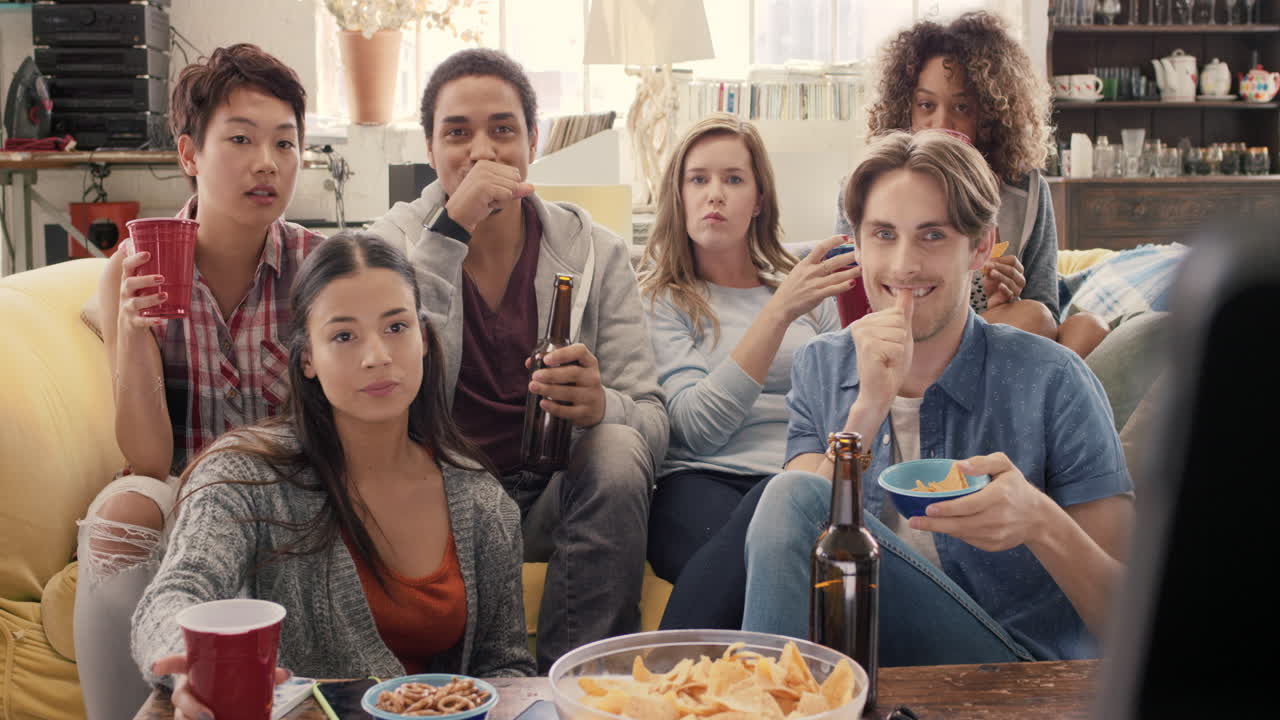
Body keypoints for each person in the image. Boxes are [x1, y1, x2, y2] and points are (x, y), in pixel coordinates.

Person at [743, 130, 1134, 665]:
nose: (904, 265)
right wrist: (868, 408)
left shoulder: (1054, 379)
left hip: (1008, 669)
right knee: (792, 495)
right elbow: (799, 528)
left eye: (932, 235)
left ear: (979, 246)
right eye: (884, 234)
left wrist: (1041, 522)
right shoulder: (823, 367)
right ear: (857, 245)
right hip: (864, 664)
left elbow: (1130, 621)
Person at [132, 233, 535, 720]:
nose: (377, 356)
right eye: (344, 336)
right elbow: (176, 592)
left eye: (396, 327)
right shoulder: (244, 477)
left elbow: (507, 667)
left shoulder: (481, 500)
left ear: (424, 340)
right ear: (307, 359)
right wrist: (189, 663)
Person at [367, 48, 667, 671]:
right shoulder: (387, 246)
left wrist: (601, 406)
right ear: (430, 150)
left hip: (554, 495)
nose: (483, 152)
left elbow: (653, 423)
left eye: (502, 130)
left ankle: (580, 682)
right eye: (458, 133)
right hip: (441, 495)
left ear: (533, 141)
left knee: (617, 448)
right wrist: (450, 230)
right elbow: (386, 376)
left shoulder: (597, 251)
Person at [75, 44, 324, 719]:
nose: (267, 162)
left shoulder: (319, 267)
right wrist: (132, 333)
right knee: (120, 513)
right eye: (240, 139)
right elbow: (148, 457)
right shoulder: (135, 264)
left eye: (284, 143)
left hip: (291, 490)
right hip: (181, 486)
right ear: (189, 153)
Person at [637, 114, 855, 625]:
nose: (715, 194)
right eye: (699, 179)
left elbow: (842, 405)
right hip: (699, 483)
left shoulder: (808, 289)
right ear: (679, 197)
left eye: (733, 179)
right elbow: (696, 429)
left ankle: (662, 673)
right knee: (767, 534)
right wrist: (777, 314)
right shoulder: (661, 299)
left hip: (802, 479)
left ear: (758, 200)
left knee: (784, 516)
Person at [833, 11, 1109, 357]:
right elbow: (851, 308)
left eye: (962, 107)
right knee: (1033, 319)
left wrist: (1004, 299)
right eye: (926, 105)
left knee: (1086, 326)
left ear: (990, 114)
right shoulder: (868, 186)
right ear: (905, 109)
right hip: (905, 333)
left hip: (996, 332)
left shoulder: (1027, 191)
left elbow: (1045, 311)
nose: (942, 122)